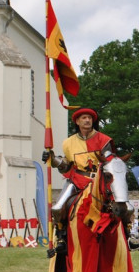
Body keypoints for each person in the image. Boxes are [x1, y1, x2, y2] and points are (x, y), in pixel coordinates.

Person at [41, 107, 118, 254]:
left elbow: (110, 163)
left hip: (100, 181)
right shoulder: (68, 143)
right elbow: (66, 166)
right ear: (77, 121)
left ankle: (128, 235)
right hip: (77, 180)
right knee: (58, 207)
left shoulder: (104, 140)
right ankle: (62, 237)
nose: (87, 120)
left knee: (120, 204)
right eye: (84, 118)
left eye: (89, 118)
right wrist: (52, 158)